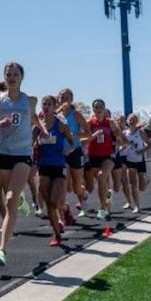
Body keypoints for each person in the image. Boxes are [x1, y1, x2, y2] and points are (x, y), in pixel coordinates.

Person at [0, 62, 47, 266]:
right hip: (3, 153)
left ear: (22, 77)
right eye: (8, 74)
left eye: (15, 74)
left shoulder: (30, 99)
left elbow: (33, 117)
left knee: (10, 199)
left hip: (23, 153)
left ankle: (1, 250)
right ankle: (22, 201)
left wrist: (43, 129)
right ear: (4, 78)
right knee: (11, 198)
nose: (12, 77)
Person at [35, 95, 76, 246]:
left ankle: (65, 209)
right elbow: (29, 142)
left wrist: (69, 150)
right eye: (43, 104)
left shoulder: (61, 124)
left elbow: (72, 142)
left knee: (54, 202)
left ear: (54, 107)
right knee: (49, 205)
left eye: (48, 104)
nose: (45, 107)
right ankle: (57, 235)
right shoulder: (38, 126)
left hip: (59, 166)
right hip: (43, 167)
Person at [56, 88, 89, 223]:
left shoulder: (76, 115)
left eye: (67, 98)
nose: (64, 100)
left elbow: (88, 133)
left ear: (71, 100)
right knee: (63, 185)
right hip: (60, 154)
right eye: (62, 97)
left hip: (75, 151)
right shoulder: (55, 115)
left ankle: (83, 194)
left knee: (75, 188)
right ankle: (62, 217)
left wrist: (74, 136)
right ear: (58, 99)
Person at [83, 99, 120, 221]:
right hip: (93, 157)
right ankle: (108, 200)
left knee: (101, 177)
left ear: (104, 108)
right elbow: (83, 142)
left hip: (107, 156)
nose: (98, 109)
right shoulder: (89, 123)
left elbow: (119, 136)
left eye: (100, 107)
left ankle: (103, 208)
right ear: (93, 109)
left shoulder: (110, 122)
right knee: (102, 182)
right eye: (96, 107)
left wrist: (120, 140)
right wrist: (93, 136)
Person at [120, 113, 150, 213]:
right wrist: (123, 147)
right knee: (133, 184)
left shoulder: (141, 132)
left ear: (137, 121)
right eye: (130, 119)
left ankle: (145, 181)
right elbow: (121, 146)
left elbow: (150, 145)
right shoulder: (125, 133)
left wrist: (141, 151)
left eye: (134, 119)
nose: (132, 121)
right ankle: (137, 206)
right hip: (130, 161)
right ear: (128, 121)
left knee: (142, 187)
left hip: (140, 160)